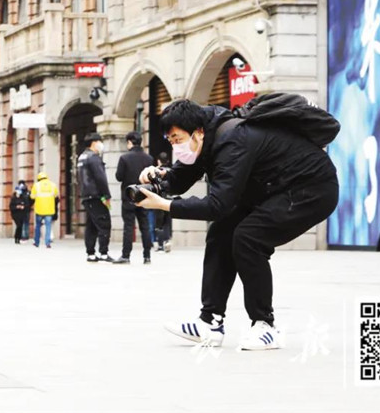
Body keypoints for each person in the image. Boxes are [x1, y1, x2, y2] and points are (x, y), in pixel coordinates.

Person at [136, 99, 338, 350]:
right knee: (221, 232)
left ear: (197, 132)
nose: (176, 146)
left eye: (178, 139)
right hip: (274, 188)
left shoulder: (233, 141)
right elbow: (182, 178)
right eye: (171, 141)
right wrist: (161, 179)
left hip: (312, 189)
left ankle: (265, 326)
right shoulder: (207, 136)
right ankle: (209, 322)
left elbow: (217, 205)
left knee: (248, 238)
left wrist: (165, 205)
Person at [114, 131, 154, 265]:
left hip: (129, 196)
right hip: (143, 196)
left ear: (130, 142)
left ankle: (126, 256)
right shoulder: (149, 159)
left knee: (128, 226)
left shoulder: (124, 158)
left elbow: (119, 177)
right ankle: (147, 256)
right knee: (145, 226)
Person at [77, 132, 114, 262]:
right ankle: (103, 253)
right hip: (96, 195)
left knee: (91, 225)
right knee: (104, 224)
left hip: (87, 195)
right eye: (99, 141)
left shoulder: (82, 157)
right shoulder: (93, 158)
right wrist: (106, 195)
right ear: (94, 143)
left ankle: (91, 253)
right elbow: (100, 178)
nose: (101, 144)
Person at [30, 172, 59, 248]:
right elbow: (56, 195)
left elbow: (32, 197)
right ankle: (47, 243)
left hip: (39, 209)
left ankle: (36, 242)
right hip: (49, 209)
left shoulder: (36, 185)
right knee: (48, 226)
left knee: (38, 226)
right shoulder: (52, 185)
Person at [153, 152, 172, 252]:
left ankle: (160, 245)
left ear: (158, 161)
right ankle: (167, 240)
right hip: (169, 199)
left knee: (159, 222)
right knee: (167, 222)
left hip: (159, 199)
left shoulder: (156, 172)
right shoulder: (171, 171)